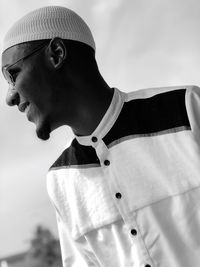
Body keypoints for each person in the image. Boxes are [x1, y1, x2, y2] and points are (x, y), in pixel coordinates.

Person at [2, 5, 200, 267]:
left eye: (12, 74)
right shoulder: (61, 180)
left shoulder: (186, 109)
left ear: (57, 53)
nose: (9, 96)